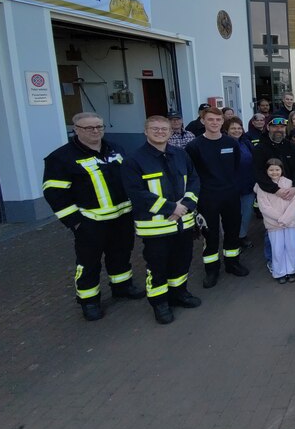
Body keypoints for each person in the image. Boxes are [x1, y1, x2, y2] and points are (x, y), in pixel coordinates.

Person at [42, 112, 142, 321]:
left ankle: (122, 287)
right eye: (89, 128)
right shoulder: (61, 157)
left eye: (99, 126)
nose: (95, 131)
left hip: (122, 216)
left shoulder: (115, 149)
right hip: (90, 222)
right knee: (89, 263)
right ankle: (89, 301)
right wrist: (75, 222)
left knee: (121, 255)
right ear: (76, 130)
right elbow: (54, 193)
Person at [121, 116, 201, 325]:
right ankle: (159, 303)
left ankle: (179, 294)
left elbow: (193, 181)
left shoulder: (180, 155)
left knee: (182, 261)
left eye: (164, 128)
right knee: (157, 267)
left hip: (183, 222)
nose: (160, 132)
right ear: (145, 131)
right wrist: (172, 208)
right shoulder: (134, 160)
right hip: (155, 227)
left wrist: (185, 207)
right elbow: (136, 193)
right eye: (154, 129)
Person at [185, 107, 246, 288]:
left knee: (232, 230)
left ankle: (232, 263)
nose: (214, 123)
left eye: (218, 120)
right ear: (203, 121)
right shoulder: (194, 146)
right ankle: (211, 269)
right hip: (207, 198)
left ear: (222, 122)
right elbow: (191, 174)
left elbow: (236, 167)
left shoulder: (231, 143)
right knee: (210, 235)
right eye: (210, 119)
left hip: (230, 195)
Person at [255, 159, 295, 284]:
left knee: (291, 246)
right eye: (271, 170)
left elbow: (294, 202)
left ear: (282, 170)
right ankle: (280, 271)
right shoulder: (262, 186)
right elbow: (264, 207)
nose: (274, 172)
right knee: (277, 248)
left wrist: (286, 218)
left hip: (290, 221)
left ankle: (293, 270)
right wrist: (280, 219)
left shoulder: (289, 183)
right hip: (274, 223)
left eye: (277, 169)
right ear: (266, 171)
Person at [224, 116, 257, 249]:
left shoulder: (246, 143)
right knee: (231, 215)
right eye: (233, 128)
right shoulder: (224, 143)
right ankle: (231, 238)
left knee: (246, 212)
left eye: (239, 128)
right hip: (230, 187)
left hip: (247, 184)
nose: (237, 130)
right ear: (227, 130)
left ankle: (242, 235)